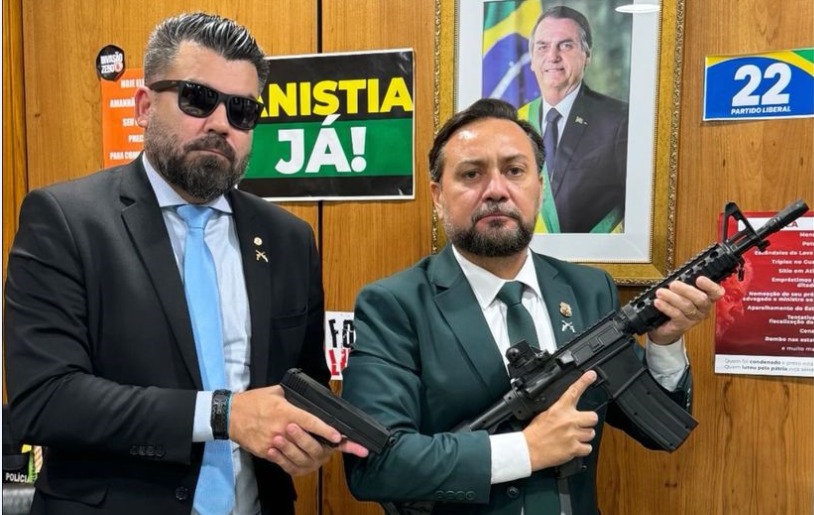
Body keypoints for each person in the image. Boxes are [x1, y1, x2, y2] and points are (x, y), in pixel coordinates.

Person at [3, 12, 366, 515]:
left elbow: (303, 386)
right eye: (198, 98)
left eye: (242, 110)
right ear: (143, 105)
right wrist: (222, 413)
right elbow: (45, 399)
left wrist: (308, 440)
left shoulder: (289, 239)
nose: (220, 123)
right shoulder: (66, 219)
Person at [341, 98, 724, 515]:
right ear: (437, 196)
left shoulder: (589, 289)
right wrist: (525, 450)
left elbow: (654, 429)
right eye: (471, 174)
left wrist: (664, 344)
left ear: (540, 188)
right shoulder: (395, 305)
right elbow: (375, 465)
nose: (496, 190)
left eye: (514, 171)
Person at [524, 6, 628, 234]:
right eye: (542, 47)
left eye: (566, 45)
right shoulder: (514, 121)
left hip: (594, 253)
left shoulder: (620, 121)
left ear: (587, 55)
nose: (552, 56)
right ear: (532, 59)